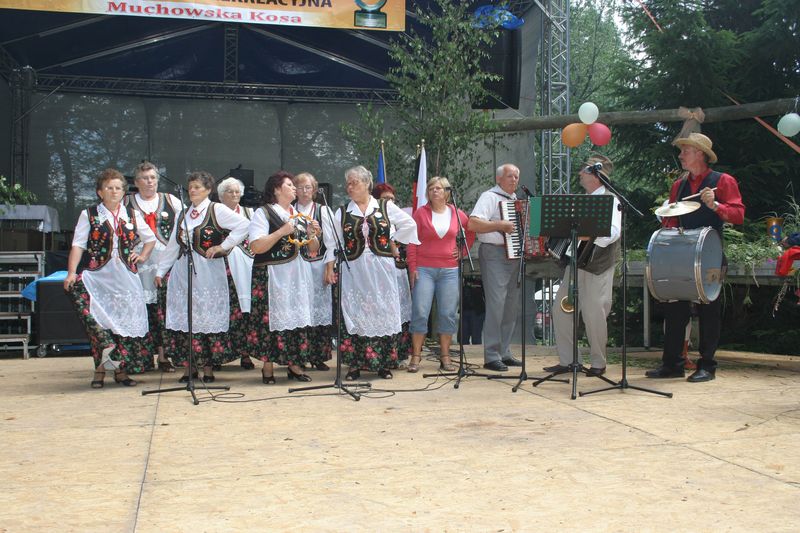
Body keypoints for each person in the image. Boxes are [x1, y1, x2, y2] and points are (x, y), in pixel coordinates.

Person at [645, 132, 745, 382]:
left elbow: (738, 215)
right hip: (681, 256)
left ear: (700, 154)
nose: (680, 155)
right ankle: (672, 365)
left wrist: (716, 206)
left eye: (685, 151)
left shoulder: (723, 181)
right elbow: (671, 220)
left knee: (709, 310)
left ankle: (707, 366)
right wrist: (665, 224)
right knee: (674, 310)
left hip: (712, 255)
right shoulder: (678, 186)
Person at [324, 165, 419, 380]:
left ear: (367, 184)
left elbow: (409, 224)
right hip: (354, 270)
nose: (349, 187)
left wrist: (393, 241)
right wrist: (330, 268)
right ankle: (355, 365)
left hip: (381, 269)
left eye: (354, 183)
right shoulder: (342, 212)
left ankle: (383, 364)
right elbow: (332, 243)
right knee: (356, 312)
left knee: (383, 311)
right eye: (348, 184)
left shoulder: (384, 206)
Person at [64, 168, 157, 388]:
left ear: (123, 192)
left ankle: (120, 372)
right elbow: (78, 245)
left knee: (122, 323)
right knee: (99, 323)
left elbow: (150, 238)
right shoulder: (89, 214)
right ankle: (99, 370)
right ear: (100, 192)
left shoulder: (131, 214)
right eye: (109, 188)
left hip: (125, 278)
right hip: (98, 277)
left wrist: (142, 256)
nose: (114, 192)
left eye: (118, 188)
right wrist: (71, 272)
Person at [155, 171, 249, 383]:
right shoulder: (183, 214)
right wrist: (161, 271)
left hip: (209, 273)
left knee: (206, 317)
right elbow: (173, 245)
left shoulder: (216, 209)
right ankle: (190, 367)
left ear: (208, 189)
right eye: (190, 187)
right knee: (188, 318)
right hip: (184, 272)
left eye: (197, 187)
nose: (192, 190)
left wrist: (223, 246)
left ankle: (207, 368)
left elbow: (244, 225)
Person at [542, 155, 621, 377]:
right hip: (575, 263)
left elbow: (614, 233)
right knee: (561, 310)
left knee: (594, 312)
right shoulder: (582, 200)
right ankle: (568, 361)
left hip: (598, 265)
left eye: (584, 170)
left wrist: (589, 235)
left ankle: (598, 362)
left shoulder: (611, 200)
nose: (579, 173)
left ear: (596, 175)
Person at [247, 170, 320, 384]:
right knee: (271, 319)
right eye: (289, 185)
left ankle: (294, 365)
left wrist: (312, 234)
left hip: (297, 275)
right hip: (273, 275)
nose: (294, 188)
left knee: (296, 318)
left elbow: (313, 248)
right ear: (277, 189)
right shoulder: (264, 213)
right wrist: (282, 231)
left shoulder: (298, 214)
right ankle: (267, 367)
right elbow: (256, 246)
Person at [406, 176, 475, 373]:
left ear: (447, 192)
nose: (434, 191)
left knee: (448, 313)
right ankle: (416, 355)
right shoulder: (420, 213)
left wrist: (462, 252)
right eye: (431, 188)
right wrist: (413, 267)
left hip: (450, 271)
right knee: (420, 312)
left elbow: (471, 231)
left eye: (438, 188)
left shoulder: (457, 213)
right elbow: (411, 241)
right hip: (424, 269)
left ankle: (445, 356)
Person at [124, 161, 183, 373]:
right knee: (142, 308)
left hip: (166, 260)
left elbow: (185, 225)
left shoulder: (171, 200)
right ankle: (144, 356)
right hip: (139, 263)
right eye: (145, 178)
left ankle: (165, 355)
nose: (150, 182)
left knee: (164, 308)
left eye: (153, 178)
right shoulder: (126, 202)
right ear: (136, 182)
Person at [467, 164, 524, 371]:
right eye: (510, 176)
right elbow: (473, 224)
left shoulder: (517, 200)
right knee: (496, 305)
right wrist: (499, 225)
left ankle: (504, 352)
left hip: (514, 255)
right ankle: (491, 355)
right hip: (494, 254)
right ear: (499, 179)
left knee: (510, 307)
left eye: (516, 176)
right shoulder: (489, 197)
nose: (514, 180)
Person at [293, 172, 334, 371]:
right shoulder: (289, 210)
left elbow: (332, 243)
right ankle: (299, 356)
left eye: (308, 187)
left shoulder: (322, 210)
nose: (304, 191)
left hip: (317, 265)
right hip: (295, 267)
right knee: (299, 310)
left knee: (319, 310)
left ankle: (318, 356)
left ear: (315, 190)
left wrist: (329, 269)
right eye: (300, 187)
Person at [217, 176, 257, 372]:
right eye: (229, 191)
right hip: (223, 266)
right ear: (221, 195)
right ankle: (218, 354)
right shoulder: (215, 213)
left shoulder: (251, 213)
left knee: (246, 309)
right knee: (225, 308)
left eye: (237, 191)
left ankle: (245, 353)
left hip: (247, 265)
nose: (234, 194)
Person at [372, 182, 412, 367]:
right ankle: (380, 355)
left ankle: (400, 354)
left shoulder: (399, 219)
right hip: (379, 274)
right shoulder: (373, 220)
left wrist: (395, 242)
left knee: (401, 313)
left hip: (399, 272)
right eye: (385, 199)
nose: (389, 202)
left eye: (392, 199)